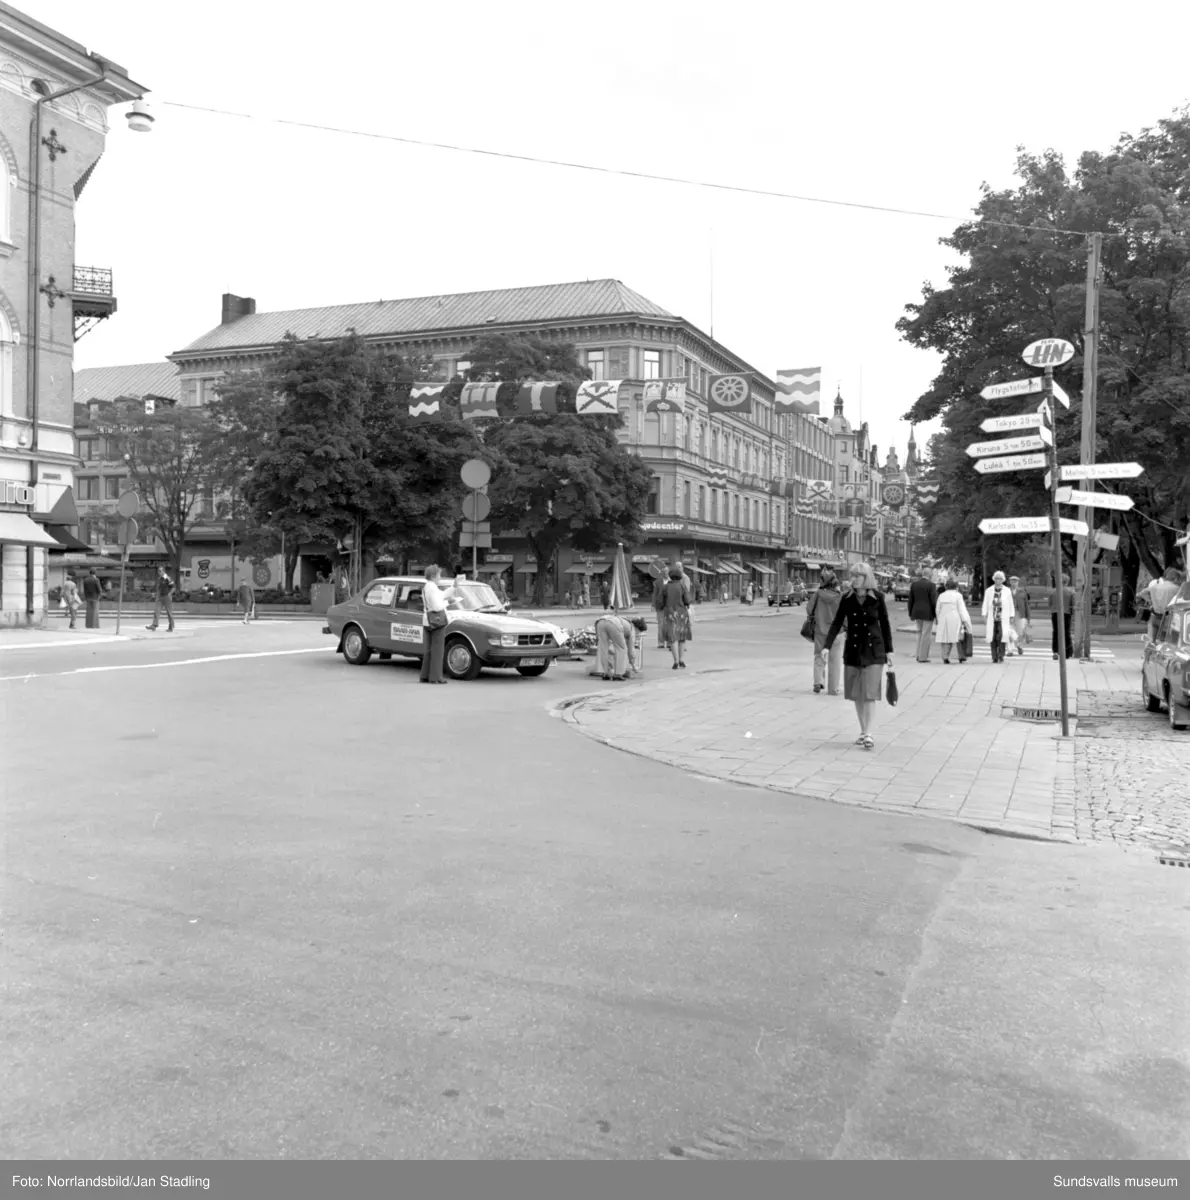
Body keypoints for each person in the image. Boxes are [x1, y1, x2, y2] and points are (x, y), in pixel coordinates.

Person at [823, 562, 894, 750]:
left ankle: (869, 733)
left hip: (874, 651)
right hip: (853, 650)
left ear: (866, 578)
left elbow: (885, 625)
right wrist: (826, 646)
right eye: (852, 575)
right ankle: (863, 731)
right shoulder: (846, 598)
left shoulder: (878, 597)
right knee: (857, 695)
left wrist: (889, 651)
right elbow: (837, 622)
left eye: (857, 576)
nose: (853, 579)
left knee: (869, 693)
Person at [810, 569, 844, 695]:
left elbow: (809, 609)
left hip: (820, 630)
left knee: (819, 656)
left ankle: (818, 682)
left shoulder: (818, 594)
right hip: (837, 632)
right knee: (834, 660)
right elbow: (844, 614)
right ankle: (833, 688)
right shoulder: (840, 596)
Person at [419, 565, 448, 684]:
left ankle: (425, 675)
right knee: (438, 650)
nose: (440, 577)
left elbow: (442, 595)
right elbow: (437, 606)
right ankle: (436, 677)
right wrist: (447, 603)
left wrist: (453, 587)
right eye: (439, 575)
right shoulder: (432, 588)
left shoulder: (428, 587)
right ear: (433, 576)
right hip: (437, 620)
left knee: (430, 650)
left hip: (428, 620)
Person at [660, 563, 693, 670]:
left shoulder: (665, 588)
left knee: (673, 638)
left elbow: (660, 602)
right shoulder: (682, 586)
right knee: (682, 637)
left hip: (670, 613)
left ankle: (675, 662)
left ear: (670, 576)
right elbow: (688, 600)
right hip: (682, 613)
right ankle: (682, 660)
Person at [594, 613, 645, 680]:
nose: (637, 634)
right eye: (638, 632)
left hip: (600, 622)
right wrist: (633, 665)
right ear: (637, 628)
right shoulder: (631, 628)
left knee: (603, 648)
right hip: (614, 624)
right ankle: (618, 674)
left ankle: (606, 673)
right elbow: (631, 649)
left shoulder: (624, 621)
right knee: (621, 648)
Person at [1138, 568, 1184, 641]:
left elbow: (1140, 594)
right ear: (1175, 578)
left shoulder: (1154, 587)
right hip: (1167, 618)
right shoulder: (1176, 588)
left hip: (1154, 617)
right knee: (1164, 643)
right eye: (1178, 580)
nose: (1178, 582)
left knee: (1152, 641)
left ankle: (1150, 650)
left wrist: (1150, 601)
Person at [935, 579, 974, 663]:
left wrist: (938, 619)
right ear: (956, 586)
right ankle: (961, 656)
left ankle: (945, 657)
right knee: (959, 638)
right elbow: (961, 610)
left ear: (946, 586)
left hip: (943, 618)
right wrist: (965, 620)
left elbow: (937, 609)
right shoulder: (958, 595)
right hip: (955, 618)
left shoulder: (941, 596)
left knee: (945, 638)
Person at [981, 570, 1016, 663]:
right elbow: (985, 603)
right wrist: (984, 614)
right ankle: (994, 656)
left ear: (1003, 580)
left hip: (1003, 617)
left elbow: (1011, 603)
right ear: (994, 579)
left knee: (1002, 636)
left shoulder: (1007, 591)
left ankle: (1001, 655)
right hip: (992, 617)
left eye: (1000, 579)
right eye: (996, 578)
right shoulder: (989, 590)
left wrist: (1011, 616)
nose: (998, 580)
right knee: (992, 637)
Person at [908, 564, 938, 663]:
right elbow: (934, 601)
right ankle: (923, 657)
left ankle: (918, 654)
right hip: (927, 613)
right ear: (929, 575)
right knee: (926, 635)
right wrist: (937, 615)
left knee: (919, 633)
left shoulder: (914, 584)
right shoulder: (931, 585)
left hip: (916, 612)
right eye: (932, 574)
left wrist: (910, 613)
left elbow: (910, 600)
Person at [1048, 572, 1074, 661]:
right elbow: (1072, 604)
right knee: (1066, 633)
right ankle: (1068, 652)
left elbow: (1049, 603)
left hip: (1055, 613)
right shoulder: (1070, 592)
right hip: (1066, 613)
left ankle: (1055, 651)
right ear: (1066, 582)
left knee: (1055, 632)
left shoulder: (1053, 591)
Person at [145, 566, 176, 632]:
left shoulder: (168, 578)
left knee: (169, 612)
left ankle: (171, 626)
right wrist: (155, 594)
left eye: (160, 571)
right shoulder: (160, 579)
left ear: (163, 571)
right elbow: (159, 588)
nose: (159, 572)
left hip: (167, 597)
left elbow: (173, 587)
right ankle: (154, 625)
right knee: (156, 611)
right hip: (160, 597)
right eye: (158, 571)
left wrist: (169, 594)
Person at [1008, 575, 1031, 654]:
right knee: (1009, 630)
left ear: (1018, 583)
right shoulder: (1006, 591)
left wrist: (1028, 617)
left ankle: (1019, 646)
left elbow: (1026, 605)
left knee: (1020, 631)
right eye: (1012, 581)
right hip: (1008, 613)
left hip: (1019, 613)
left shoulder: (1022, 592)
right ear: (1010, 582)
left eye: (1015, 582)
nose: (1014, 583)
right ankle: (1010, 649)